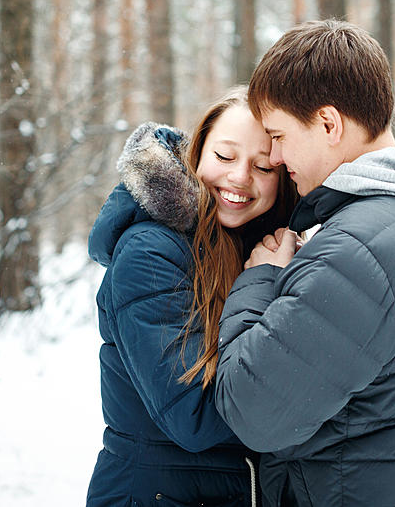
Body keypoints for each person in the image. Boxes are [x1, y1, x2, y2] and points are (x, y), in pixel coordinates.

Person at [214, 20, 395, 506]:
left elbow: (251, 409)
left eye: (279, 135)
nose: (275, 157)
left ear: (328, 124)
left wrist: (260, 279)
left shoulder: (359, 252)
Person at [86, 87, 297, 507]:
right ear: (196, 153)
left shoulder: (255, 248)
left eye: (262, 166)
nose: (240, 177)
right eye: (224, 156)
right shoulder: (150, 252)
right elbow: (194, 415)